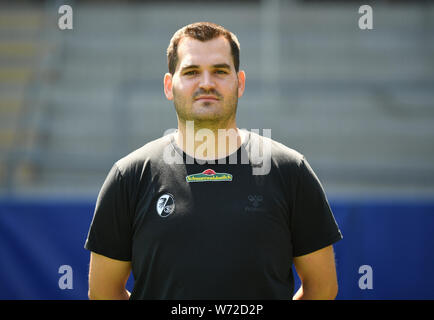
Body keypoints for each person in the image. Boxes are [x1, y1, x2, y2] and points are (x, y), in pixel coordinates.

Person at [84, 22, 342, 300]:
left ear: (239, 83)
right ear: (169, 86)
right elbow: (103, 293)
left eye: (220, 71)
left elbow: (322, 288)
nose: (206, 83)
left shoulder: (290, 171)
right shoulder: (130, 175)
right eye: (192, 72)